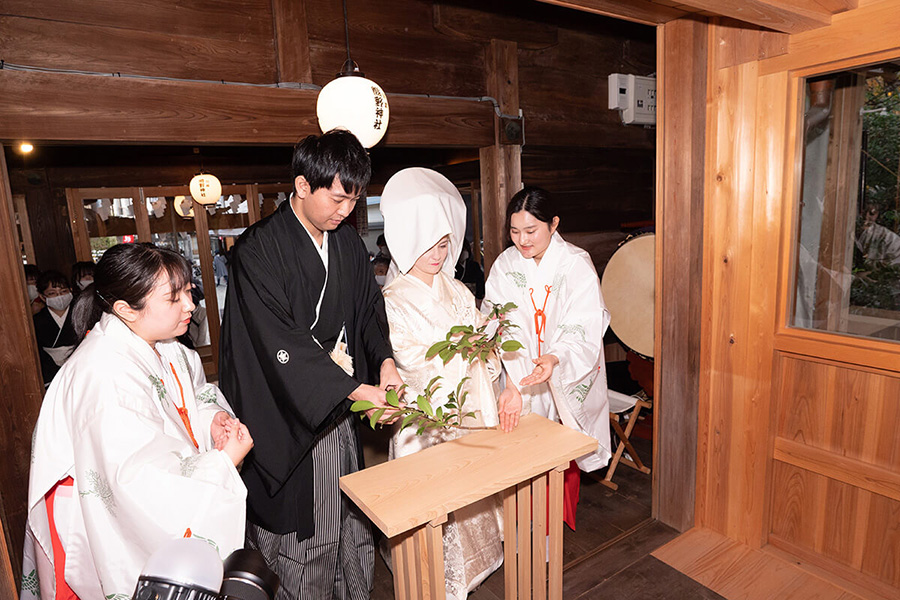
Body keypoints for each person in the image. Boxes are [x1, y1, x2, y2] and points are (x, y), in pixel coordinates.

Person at [219, 129, 401, 600]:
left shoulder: (344, 242)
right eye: (338, 199)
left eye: (353, 200)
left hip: (337, 405)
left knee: (353, 522)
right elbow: (277, 342)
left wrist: (384, 363)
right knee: (311, 532)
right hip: (291, 414)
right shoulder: (257, 251)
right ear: (302, 186)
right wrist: (352, 390)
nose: (346, 211)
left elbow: (366, 311)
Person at [21, 243, 252, 600]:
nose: (190, 305)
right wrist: (222, 463)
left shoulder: (168, 346)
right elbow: (135, 480)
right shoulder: (103, 373)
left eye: (188, 291)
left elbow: (194, 396)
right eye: (174, 298)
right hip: (95, 516)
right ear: (125, 309)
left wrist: (212, 420)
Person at [379, 168, 519, 599]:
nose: (438, 254)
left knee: (473, 500)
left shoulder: (458, 289)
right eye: (428, 246)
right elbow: (411, 360)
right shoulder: (392, 299)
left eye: (444, 244)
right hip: (428, 421)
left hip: (469, 414)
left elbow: (480, 339)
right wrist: (466, 347)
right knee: (435, 514)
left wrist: (488, 337)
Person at [483, 186, 611, 530]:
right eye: (514, 232)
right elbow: (501, 322)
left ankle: (553, 524)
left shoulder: (575, 264)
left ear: (553, 224)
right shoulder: (506, 265)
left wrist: (555, 358)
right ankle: (522, 527)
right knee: (520, 452)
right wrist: (513, 378)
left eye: (530, 231)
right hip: (521, 372)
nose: (521, 240)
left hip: (563, 372)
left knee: (560, 450)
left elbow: (584, 322)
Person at [33, 271, 78, 386]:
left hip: (79, 364)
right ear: (42, 296)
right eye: (52, 293)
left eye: (63, 291)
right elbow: (37, 352)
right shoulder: (37, 321)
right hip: (50, 372)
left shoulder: (81, 314)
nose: (59, 297)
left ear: (71, 290)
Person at [454, 238, 485, 304]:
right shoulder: (453, 267)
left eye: (465, 250)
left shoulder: (474, 265)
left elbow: (480, 281)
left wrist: (479, 297)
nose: (464, 252)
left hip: (474, 296)